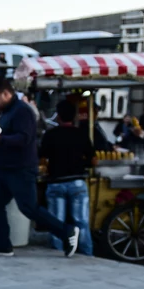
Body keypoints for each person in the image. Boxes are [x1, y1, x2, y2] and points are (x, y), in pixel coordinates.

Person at [0, 78, 79, 258]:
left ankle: (67, 232)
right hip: (5, 169)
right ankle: (3, 245)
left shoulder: (22, 112)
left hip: (20, 169)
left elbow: (23, 139)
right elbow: (6, 135)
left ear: (6, 94)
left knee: (29, 208)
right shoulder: (7, 111)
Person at [40, 99, 96, 256]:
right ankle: (86, 253)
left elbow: (42, 159)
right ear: (74, 117)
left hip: (56, 182)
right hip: (77, 182)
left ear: (58, 116)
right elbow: (93, 160)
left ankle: (57, 252)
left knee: (56, 222)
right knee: (81, 222)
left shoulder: (50, 135)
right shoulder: (82, 134)